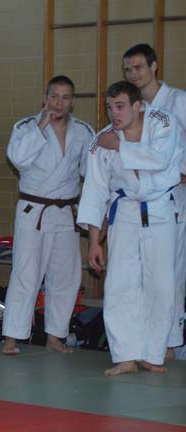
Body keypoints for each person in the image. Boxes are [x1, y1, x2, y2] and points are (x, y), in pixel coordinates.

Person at [79, 80, 182, 376]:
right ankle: (125, 355)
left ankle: (153, 353)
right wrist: (95, 242)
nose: (114, 113)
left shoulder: (164, 122)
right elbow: (95, 192)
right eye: (109, 107)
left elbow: (158, 160)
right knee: (119, 284)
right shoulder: (102, 140)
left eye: (120, 106)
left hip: (160, 209)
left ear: (138, 106)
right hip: (124, 211)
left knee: (161, 284)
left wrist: (121, 146)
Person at [1, 76, 95, 355]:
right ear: (45, 98)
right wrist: (40, 128)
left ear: (72, 101)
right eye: (54, 97)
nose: (59, 103)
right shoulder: (26, 127)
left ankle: (55, 335)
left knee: (66, 277)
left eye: (65, 98)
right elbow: (17, 158)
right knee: (26, 273)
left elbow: (91, 173)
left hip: (65, 212)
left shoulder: (83, 131)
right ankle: (12, 336)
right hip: (33, 211)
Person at [122, 43, 186, 356]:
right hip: (137, 198)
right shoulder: (131, 106)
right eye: (128, 69)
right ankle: (144, 342)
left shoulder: (178, 101)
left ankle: (170, 342)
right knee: (137, 274)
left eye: (138, 67)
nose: (133, 74)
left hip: (173, 195)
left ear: (154, 66)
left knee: (170, 272)